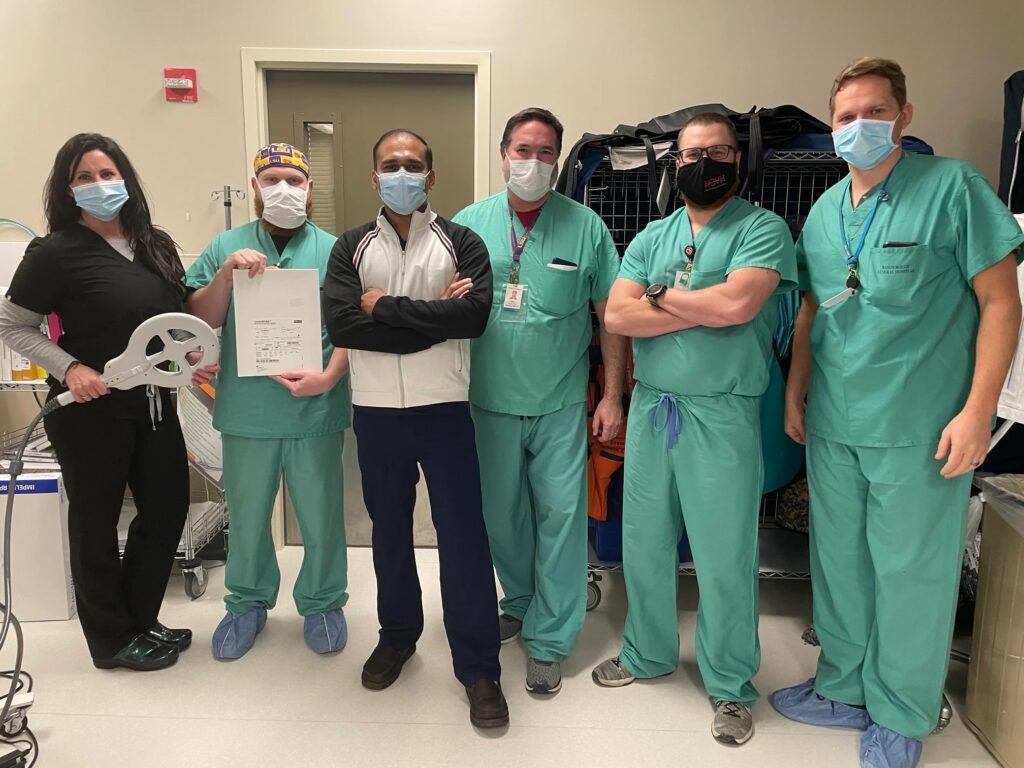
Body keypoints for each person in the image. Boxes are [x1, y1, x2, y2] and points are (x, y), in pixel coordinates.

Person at [771, 58, 1023, 768]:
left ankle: (904, 709)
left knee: (911, 571)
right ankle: (844, 687)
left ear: (904, 117)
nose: (859, 127)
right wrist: (795, 392)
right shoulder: (823, 212)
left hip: (921, 424)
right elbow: (814, 308)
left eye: (873, 112)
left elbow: (1003, 302)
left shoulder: (952, 189)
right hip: (836, 422)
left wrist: (979, 411)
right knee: (841, 562)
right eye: (846, 117)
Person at [590, 113, 798, 746]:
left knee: (724, 555)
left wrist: (661, 299)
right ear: (673, 164)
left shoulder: (763, 230)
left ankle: (732, 686)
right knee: (645, 542)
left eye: (719, 151)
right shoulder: (653, 234)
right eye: (691, 153)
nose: (704, 161)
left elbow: (739, 305)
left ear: (738, 161)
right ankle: (648, 653)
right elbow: (618, 315)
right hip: (654, 408)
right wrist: (693, 307)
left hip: (723, 413)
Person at [0, 133, 212, 671]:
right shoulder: (55, 252)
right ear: (68, 191)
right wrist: (69, 368)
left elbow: (180, 316)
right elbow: (11, 324)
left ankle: (141, 618)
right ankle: (111, 641)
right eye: (85, 177)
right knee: (95, 522)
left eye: (108, 173)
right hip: (91, 409)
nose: (100, 185)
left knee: (164, 512)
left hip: (156, 405)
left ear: (127, 179)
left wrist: (193, 359)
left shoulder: (154, 244)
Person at [322, 129, 508, 729]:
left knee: (463, 537)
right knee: (389, 533)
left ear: (431, 177)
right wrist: (434, 320)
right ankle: (398, 635)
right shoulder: (350, 247)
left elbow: (474, 317)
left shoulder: (463, 242)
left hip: (444, 410)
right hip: (375, 413)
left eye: (413, 165)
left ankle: (479, 668)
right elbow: (344, 327)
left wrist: (384, 307)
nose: (402, 174)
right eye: (390, 165)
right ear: (374, 178)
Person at [452, 108, 627, 695]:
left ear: (558, 161)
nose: (532, 162)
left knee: (559, 518)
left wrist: (611, 395)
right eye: (522, 150)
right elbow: (440, 310)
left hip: (558, 403)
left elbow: (611, 319)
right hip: (488, 402)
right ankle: (520, 601)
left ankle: (551, 640)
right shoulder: (467, 226)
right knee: (501, 516)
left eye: (546, 152)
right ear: (503, 154)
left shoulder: (586, 228)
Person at [185, 143, 352, 660]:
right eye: (272, 179)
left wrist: (328, 378)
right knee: (250, 512)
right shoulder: (226, 245)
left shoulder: (337, 249)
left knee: (321, 513)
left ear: (310, 188)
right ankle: (247, 603)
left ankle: (323, 602)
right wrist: (225, 274)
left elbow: (354, 327)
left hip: (315, 407)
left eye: (295, 180)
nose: (284, 189)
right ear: (255, 187)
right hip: (248, 409)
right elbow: (200, 320)